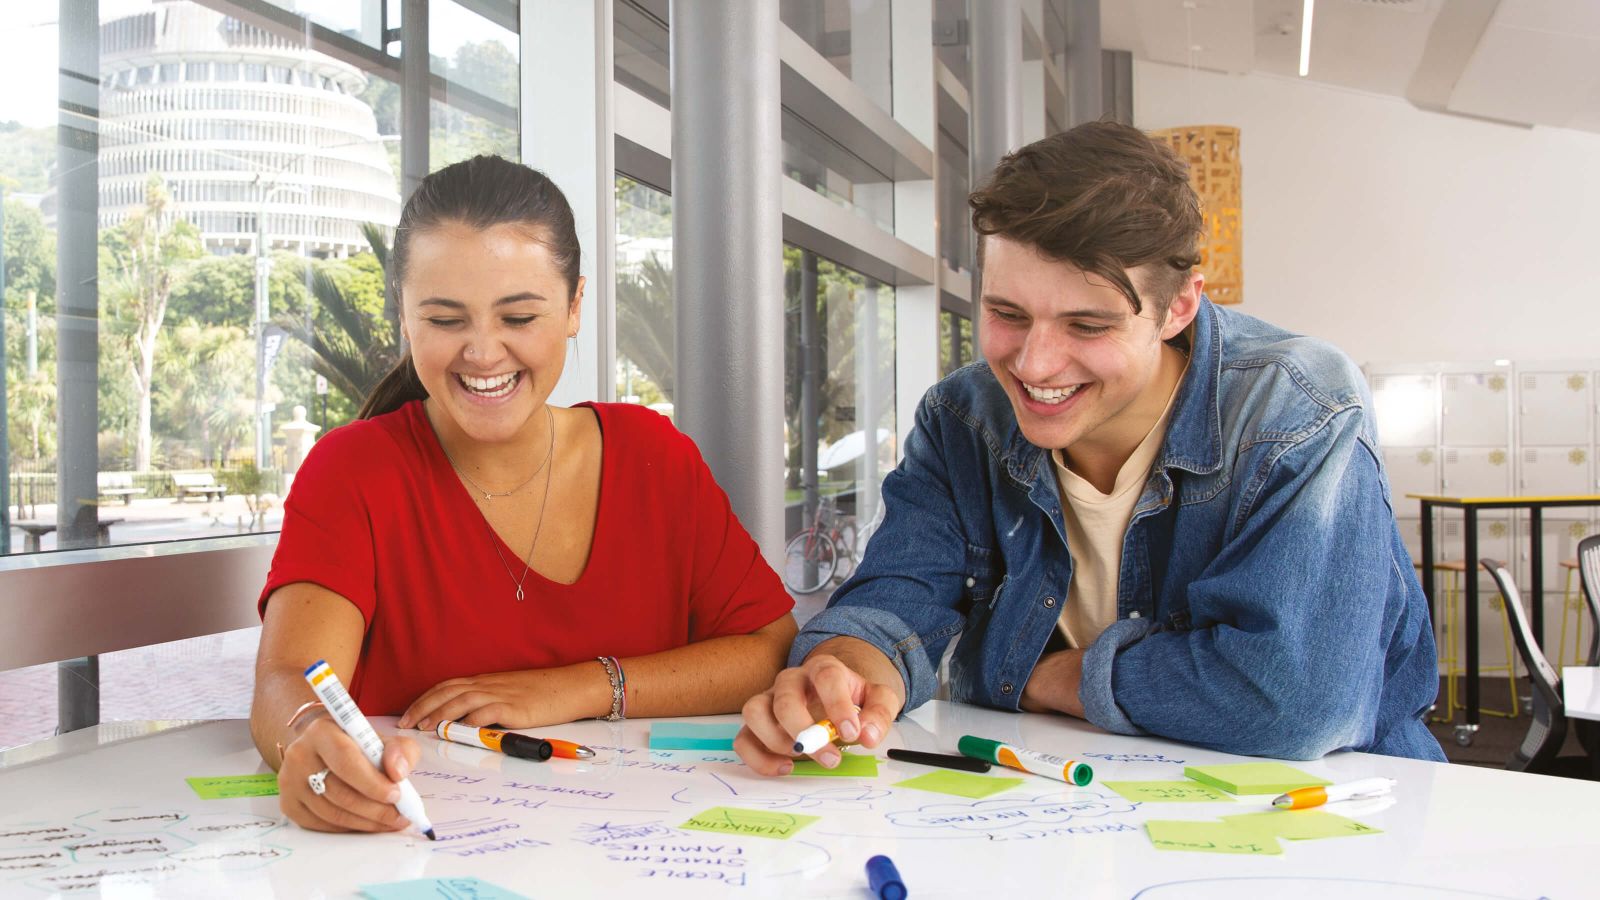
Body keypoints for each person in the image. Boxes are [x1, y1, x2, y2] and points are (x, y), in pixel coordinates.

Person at [736, 121, 1444, 774]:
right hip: (1069, 802)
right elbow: (896, 603)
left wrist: (1029, 673)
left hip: (1338, 810)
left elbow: (1292, 699)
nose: (1036, 365)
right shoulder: (962, 417)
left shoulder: (1300, 407)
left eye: (1088, 325)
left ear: (1180, 307)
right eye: (1007, 314)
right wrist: (842, 672)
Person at [251, 155, 797, 834]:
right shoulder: (353, 470)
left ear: (573, 307)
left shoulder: (652, 456)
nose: (483, 352)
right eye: (446, 320)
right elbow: (285, 681)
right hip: (416, 853)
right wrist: (304, 739)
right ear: (404, 316)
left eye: (518, 316)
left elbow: (769, 648)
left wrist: (576, 687)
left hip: (633, 855)